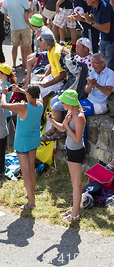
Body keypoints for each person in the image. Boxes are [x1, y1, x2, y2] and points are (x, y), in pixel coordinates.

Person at [0, 84, 42, 210]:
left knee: (26, 172)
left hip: (23, 143)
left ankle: (31, 202)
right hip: (34, 141)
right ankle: (31, 195)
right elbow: (34, 97)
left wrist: (4, 93)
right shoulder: (40, 104)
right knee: (31, 169)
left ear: (28, 94)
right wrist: (22, 91)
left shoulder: (23, 107)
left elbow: (3, 105)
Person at [42, 38, 93, 141]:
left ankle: (56, 130)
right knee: (53, 101)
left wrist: (69, 55)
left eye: (78, 46)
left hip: (80, 92)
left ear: (86, 49)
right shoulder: (78, 57)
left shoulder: (89, 61)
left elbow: (74, 70)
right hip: (71, 88)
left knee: (56, 106)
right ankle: (56, 129)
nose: (76, 48)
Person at [47, 90, 86, 222]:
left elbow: (77, 138)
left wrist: (66, 125)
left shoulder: (79, 117)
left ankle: (75, 214)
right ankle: (74, 209)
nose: (61, 104)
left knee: (76, 183)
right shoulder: (70, 114)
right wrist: (51, 120)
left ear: (70, 102)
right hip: (70, 150)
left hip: (76, 151)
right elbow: (63, 128)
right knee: (74, 183)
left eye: (63, 102)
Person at [76, 0, 114, 70]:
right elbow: (92, 19)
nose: (85, 0)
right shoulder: (94, 6)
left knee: (109, 67)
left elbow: (106, 29)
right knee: (102, 66)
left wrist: (91, 22)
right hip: (104, 39)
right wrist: (80, 18)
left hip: (111, 41)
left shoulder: (105, 7)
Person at [2, 0, 31, 71]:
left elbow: (5, 17)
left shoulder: (5, 1)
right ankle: (27, 66)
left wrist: (12, 21)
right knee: (27, 46)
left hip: (14, 27)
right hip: (25, 26)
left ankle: (14, 66)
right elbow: (29, 9)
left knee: (15, 46)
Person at [82, 53, 114, 117]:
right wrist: (90, 85)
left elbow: (108, 92)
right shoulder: (93, 72)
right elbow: (86, 90)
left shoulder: (110, 73)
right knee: (72, 108)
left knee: (79, 113)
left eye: (95, 63)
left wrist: (95, 84)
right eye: (92, 62)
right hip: (90, 100)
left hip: (101, 104)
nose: (93, 66)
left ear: (103, 63)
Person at [37, 31, 66, 99]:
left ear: (44, 42)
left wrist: (47, 84)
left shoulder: (56, 53)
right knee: (34, 87)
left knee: (39, 94)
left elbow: (63, 74)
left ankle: (42, 109)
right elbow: (52, 64)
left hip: (60, 82)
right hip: (53, 77)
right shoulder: (51, 49)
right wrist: (45, 75)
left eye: (40, 40)